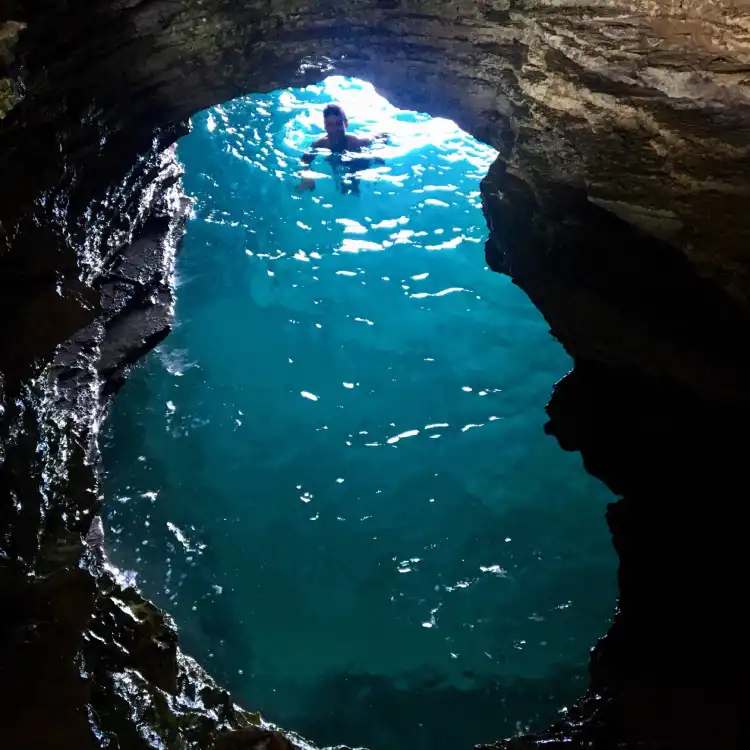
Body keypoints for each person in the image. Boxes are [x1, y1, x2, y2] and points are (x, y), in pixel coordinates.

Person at [296, 103, 387, 194]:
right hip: (335, 159)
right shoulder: (320, 144)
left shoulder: (355, 142)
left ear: (346, 124)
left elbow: (379, 137)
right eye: (330, 124)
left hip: (354, 159)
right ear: (325, 126)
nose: (334, 129)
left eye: (338, 124)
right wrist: (306, 177)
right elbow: (305, 160)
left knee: (354, 182)